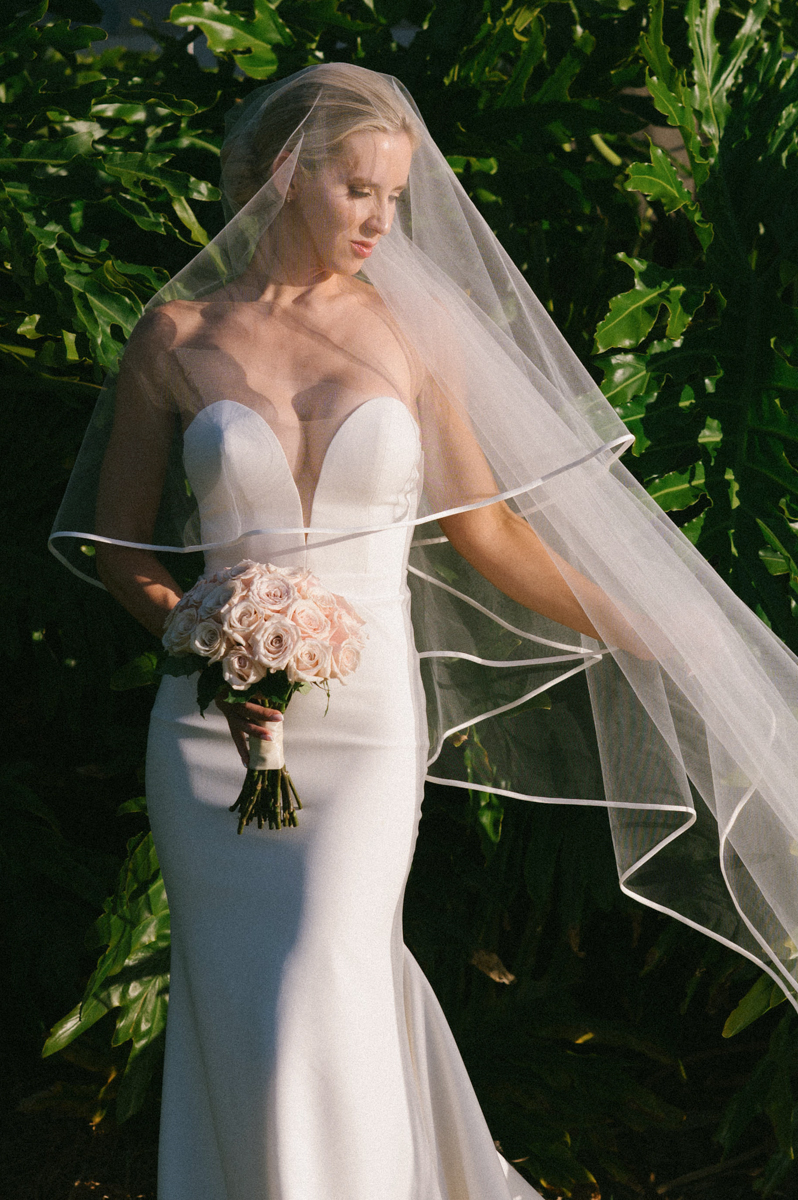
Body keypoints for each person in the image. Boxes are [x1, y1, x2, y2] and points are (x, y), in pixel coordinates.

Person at [50, 62, 798, 1200]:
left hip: (366, 731)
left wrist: (659, 627)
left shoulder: (416, 329)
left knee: (322, 975)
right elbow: (120, 551)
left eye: (395, 196)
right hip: (209, 733)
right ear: (289, 175)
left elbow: (492, 539)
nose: (381, 221)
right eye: (358, 190)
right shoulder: (177, 332)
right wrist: (195, 628)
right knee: (248, 1001)